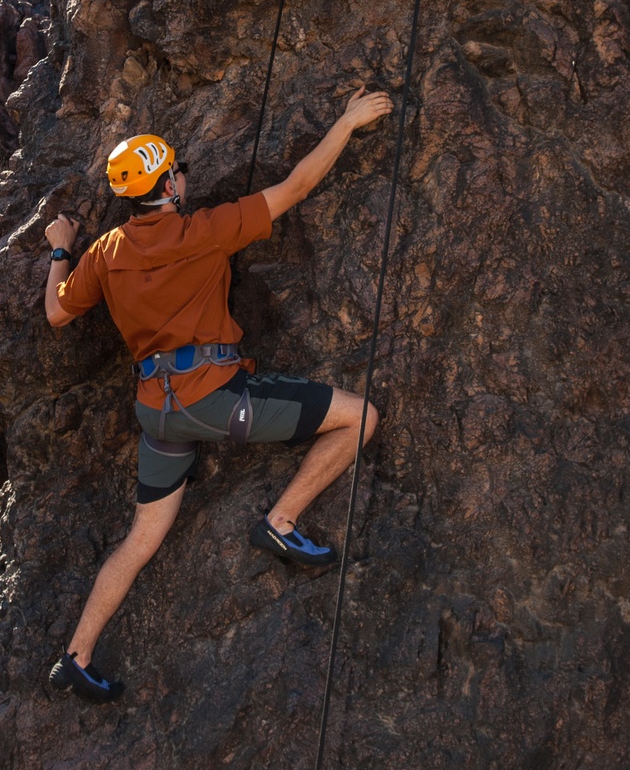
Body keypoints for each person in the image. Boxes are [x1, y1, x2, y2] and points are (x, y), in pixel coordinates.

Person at [44, 85, 392, 702]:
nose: (184, 177)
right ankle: (282, 522)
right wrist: (345, 122)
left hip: (157, 412)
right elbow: (296, 187)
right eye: (178, 170)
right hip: (216, 400)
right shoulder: (202, 231)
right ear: (169, 186)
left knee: (143, 537)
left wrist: (59, 249)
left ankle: (77, 654)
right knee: (359, 419)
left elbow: (56, 314)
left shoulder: (104, 253)